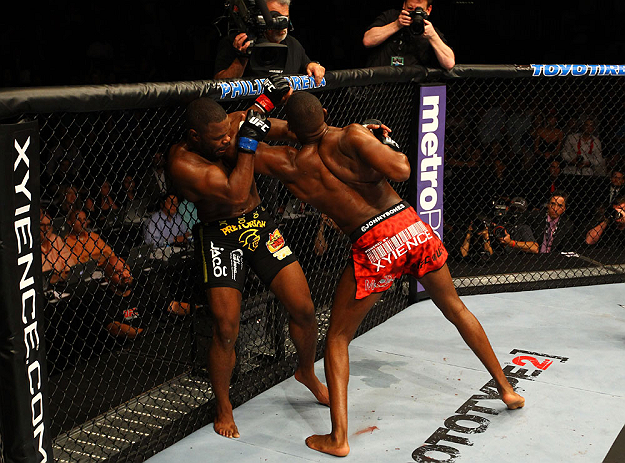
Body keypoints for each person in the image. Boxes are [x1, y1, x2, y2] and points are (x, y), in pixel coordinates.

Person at [251, 91, 524, 456]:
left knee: (337, 338)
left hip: (374, 241)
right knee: (456, 308)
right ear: (326, 113)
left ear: (290, 131)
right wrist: (384, 142)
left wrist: (262, 106)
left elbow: (239, 136)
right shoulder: (352, 135)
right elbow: (401, 169)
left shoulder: (291, 164)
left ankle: (338, 439)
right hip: (409, 225)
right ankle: (506, 389)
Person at [166, 82, 328, 439]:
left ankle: (306, 371)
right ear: (195, 137)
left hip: (256, 222)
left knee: (303, 307)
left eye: (229, 133)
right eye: (218, 139)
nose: (226, 141)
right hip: (219, 235)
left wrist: (336, 132)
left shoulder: (236, 124)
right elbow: (235, 191)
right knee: (226, 328)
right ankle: (223, 405)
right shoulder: (182, 162)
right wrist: (249, 142)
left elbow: (296, 129)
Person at [214, 0, 325, 84]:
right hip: (248, 112)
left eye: (285, 17)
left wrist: (313, 65)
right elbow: (219, 85)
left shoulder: (293, 44)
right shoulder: (239, 43)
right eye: (275, 17)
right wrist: (241, 59)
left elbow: (308, 64)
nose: (281, 23)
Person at [362, 0, 454, 70]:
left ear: (428, 10)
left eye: (419, 10)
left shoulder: (429, 30)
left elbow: (449, 63)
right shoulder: (390, 17)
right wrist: (396, 25)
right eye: (410, 9)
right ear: (403, 5)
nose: (413, 13)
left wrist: (433, 37)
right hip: (378, 87)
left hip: (409, 89)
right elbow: (368, 41)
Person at [500, 191, 574, 254]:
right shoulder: (535, 216)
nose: (555, 208)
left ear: (564, 209)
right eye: (553, 204)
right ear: (548, 205)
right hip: (533, 258)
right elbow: (518, 225)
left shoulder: (567, 225)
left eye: (559, 205)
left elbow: (565, 251)